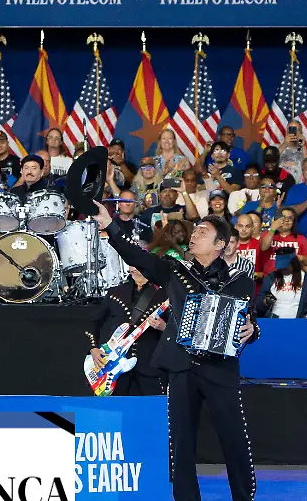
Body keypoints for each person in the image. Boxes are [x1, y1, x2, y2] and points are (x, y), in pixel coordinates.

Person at [93, 205, 258, 501]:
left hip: (220, 369)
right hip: (181, 366)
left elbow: (249, 321)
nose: (194, 235)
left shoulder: (241, 281)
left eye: (202, 232)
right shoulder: (175, 271)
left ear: (219, 244)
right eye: (195, 230)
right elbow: (137, 256)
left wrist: (253, 330)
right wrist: (110, 224)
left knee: (235, 440)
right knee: (181, 443)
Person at [86, 264, 168, 396]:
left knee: (152, 407)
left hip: (150, 367)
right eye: (131, 264)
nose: (134, 267)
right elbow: (93, 322)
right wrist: (93, 348)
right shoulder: (115, 292)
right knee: (115, 407)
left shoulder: (165, 295)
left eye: (138, 263)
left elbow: (180, 328)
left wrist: (164, 327)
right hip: (114, 367)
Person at [256, 252, 307, 319]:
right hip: (274, 320)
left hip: (298, 321)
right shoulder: (271, 278)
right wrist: (265, 302)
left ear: (293, 263)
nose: (282, 268)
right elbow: (258, 306)